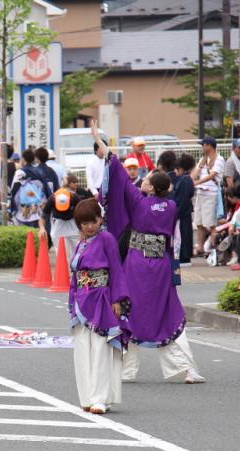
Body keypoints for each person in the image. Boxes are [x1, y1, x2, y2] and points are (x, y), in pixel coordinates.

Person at [92, 125, 205, 385]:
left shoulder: (139, 202)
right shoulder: (172, 205)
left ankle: (125, 371)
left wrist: (99, 139)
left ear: (152, 188)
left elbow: (117, 169)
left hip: (137, 265)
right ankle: (187, 368)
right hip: (162, 265)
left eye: (146, 180)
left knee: (128, 314)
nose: (141, 181)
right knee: (169, 312)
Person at [69, 198, 130, 414]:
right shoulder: (81, 242)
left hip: (102, 299)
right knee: (83, 350)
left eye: (92, 221)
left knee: (100, 349)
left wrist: (117, 300)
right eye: (84, 223)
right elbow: (75, 275)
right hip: (81, 301)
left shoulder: (106, 239)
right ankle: (87, 396)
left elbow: (116, 268)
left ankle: (100, 398)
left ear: (100, 218)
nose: (89, 226)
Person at [191, 136, 225, 257]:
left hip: (211, 194)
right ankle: (201, 247)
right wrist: (190, 180)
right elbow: (195, 173)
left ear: (209, 146)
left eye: (203, 145)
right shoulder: (202, 159)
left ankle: (214, 249)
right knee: (199, 222)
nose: (202, 147)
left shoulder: (219, 159)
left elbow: (213, 176)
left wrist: (197, 182)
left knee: (211, 224)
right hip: (200, 193)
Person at [39, 175, 81, 260]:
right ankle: (63, 269)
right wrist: (42, 228)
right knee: (60, 252)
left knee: (78, 251)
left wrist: (82, 229)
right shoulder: (52, 198)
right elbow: (43, 216)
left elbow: (83, 214)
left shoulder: (75, 198)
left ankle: (77, 269)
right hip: (58, 223)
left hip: (73, 222)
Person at [9, 149, 51, 228]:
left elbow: (13, 190)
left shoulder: (20, 173)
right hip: (38, 207)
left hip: (23, 208)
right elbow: (46, 189)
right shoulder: (39, 172)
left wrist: (11, 205)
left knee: (25, 234)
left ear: (23, 159)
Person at [169, 153, 196, 266]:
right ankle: (185, 257)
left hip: (182, 212)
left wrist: (176, 213)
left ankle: (184, 258)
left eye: (176, 169)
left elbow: (182, 199)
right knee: (185, 234)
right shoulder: (187, 179)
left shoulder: (183, 180)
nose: (175, 172)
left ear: (180, 169)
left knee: (182, 235)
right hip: (185, 212)